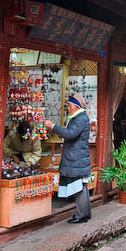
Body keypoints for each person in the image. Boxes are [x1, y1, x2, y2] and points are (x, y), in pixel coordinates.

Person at [45, 94, 91, 224]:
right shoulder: (79, 117)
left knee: (79, 187)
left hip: (76, 158)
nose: (68, 108)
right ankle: (84, 214)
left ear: (76, 107)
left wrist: (54, 127)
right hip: (76, 157)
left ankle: (82, 215)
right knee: (81, 186)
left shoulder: (80, 119)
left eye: (69, 106)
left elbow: (70, 134)